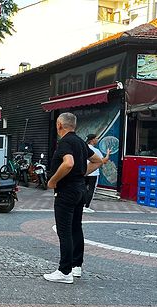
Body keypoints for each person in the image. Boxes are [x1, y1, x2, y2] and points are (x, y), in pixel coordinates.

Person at [44, 112, 102, 284]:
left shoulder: (65, 142)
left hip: (66, 191)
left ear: (59, 125)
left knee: (65, 231)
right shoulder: (80, 142)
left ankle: (64, 271)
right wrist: (82, 173)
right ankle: (76, 266)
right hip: (79, 189)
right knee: (76, 227)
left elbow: (68, 163)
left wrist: (53, 180)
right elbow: (98, 160)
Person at [83, 134, 110, 213]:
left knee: (82, 189)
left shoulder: (83, 148)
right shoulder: (96, 151)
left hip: (83, 172)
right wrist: (108, 153)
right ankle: (87, 206)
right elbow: (104, 161)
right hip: (93, 173)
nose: (97, 140)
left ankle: (81, 205)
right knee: (91, 189)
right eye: (96, 138)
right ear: (92, 140)